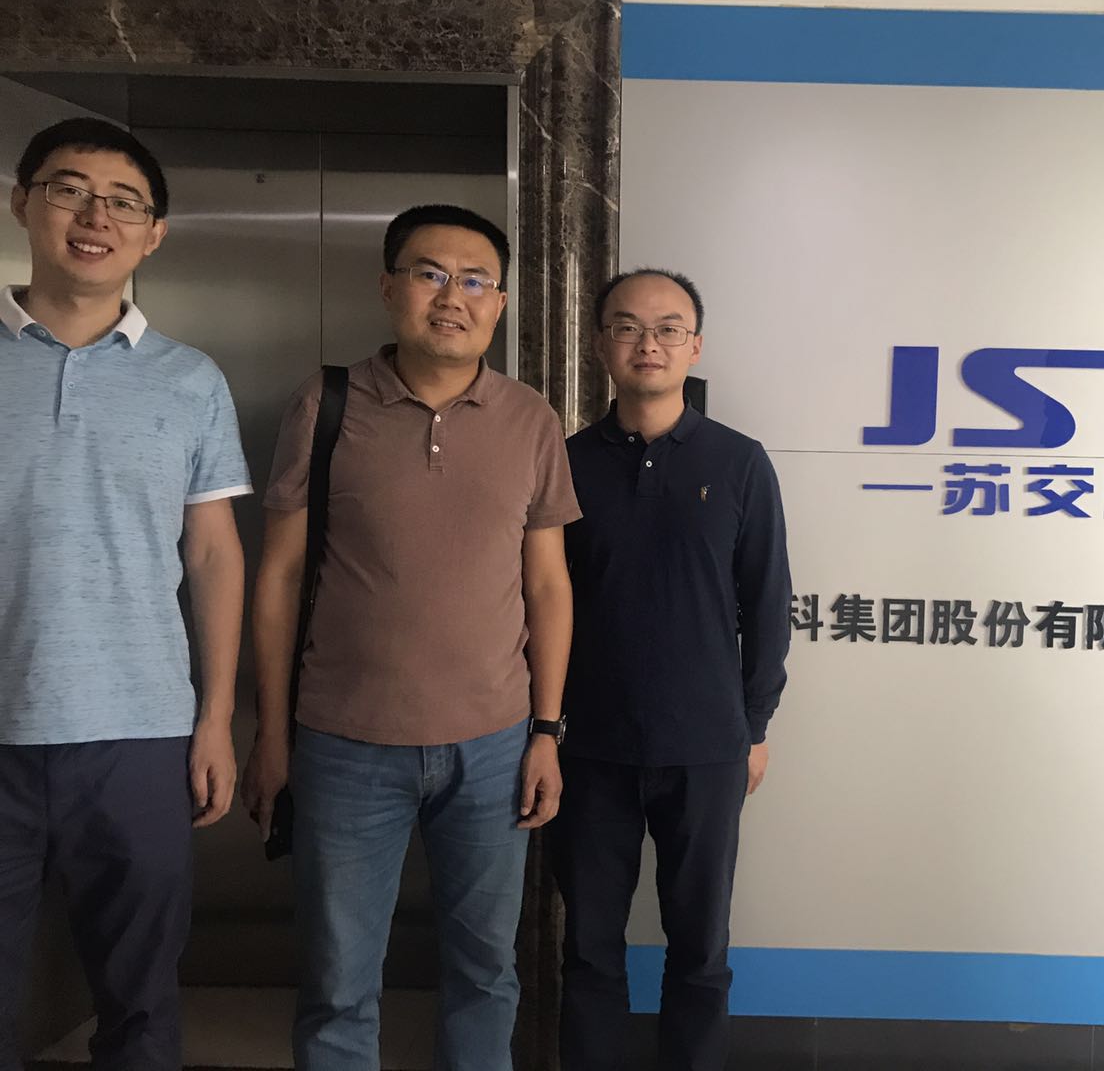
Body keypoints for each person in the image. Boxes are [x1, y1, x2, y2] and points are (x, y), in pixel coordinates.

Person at [241, 204, 579, 1071]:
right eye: (429, 274)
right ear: (389, 287)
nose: (451, 296)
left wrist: (547, 731)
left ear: (499, 303)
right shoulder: (326, 403)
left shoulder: (531, 419)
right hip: (343, 744)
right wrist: (271, 736)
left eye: (475, 280)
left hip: (495, 747)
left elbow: (548, 585)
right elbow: (278, 576)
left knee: (486, 973)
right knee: (337, 982)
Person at [0, 118, 250, 1070]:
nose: (94, 216)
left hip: (140, 734)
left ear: (155, 235)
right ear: (22, 203)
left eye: (124, 202)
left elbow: (214, 555)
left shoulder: (191, 381)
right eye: (68, 190)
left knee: (141, 1005)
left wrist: (216, 719)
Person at [554, 269, 792, 1071]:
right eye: (626, 326)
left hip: (707, 748)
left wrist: (753, 727)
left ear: (695, 346)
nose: (647, 344)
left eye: (667, 328)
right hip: (588, 748)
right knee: (588, 951)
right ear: (600, 345)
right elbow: (537, 604)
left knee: (700, 951)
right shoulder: (565, 462)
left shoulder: (739, 462)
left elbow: (767, 604)